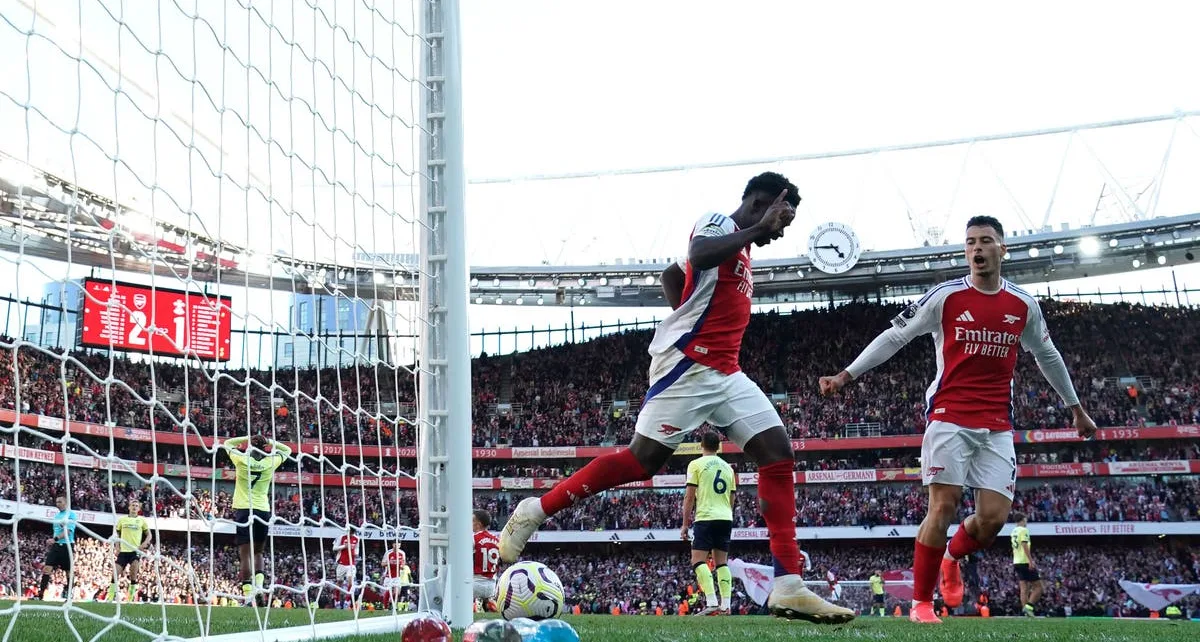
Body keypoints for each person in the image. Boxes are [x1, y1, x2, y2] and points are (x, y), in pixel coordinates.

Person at [499, 172, 853, 624]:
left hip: (725, 372)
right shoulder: (719, 225)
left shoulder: (741, 250)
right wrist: (756, 232)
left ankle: (788, 584)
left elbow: (674, 274)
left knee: (778, 454)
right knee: (641, 461)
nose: (783, 229)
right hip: (688, 364)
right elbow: (697, 254)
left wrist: (686, 304)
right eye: (783, 217)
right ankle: (534, 510)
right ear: (765, 202)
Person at [819, 215, 1097, 624]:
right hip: (949, 414)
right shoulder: (945, 296)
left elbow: (1047, 355)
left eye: (986, 241)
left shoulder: (1023, 305)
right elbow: (896, 335)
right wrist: (847, 374)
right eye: (970, 242)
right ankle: (921, 605)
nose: (977, 249)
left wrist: (1075, 407)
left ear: (1003, 249)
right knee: (943, 506)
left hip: (998, 422)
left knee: (991, 522)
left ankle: (951, 557)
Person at [221, 433, 292, 603]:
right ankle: (260, 587)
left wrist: (247, 438)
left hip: (244, 510)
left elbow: (228, 443)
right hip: (262, 510)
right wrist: (268, 441)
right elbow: (287, 449)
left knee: (245, 554)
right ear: (264, 450)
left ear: (250, 449)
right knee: (258, 552)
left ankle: (248, 595)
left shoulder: (241, 460)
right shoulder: (270, 462)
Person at [680, 431, 735, 616]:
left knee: (697, 560)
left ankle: (711, 601)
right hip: (725, 517)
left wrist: (685, 524)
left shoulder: (696, 464)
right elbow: (732, 497)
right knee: (721, 563)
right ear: (718, 446)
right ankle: (726, 605)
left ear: (701, 445)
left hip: (706, 517)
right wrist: (727, 513)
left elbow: (689, 497)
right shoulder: (728, 468)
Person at [110, 499, 151, 602]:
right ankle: (110, 596)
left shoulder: (142, 520)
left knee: (133, 573)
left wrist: (143, 545)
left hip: (135, 551)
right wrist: (117, 546)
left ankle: (131, 596)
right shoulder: (122, 520)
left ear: (139, 509)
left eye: (136, 506)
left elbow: (149, 535)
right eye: (132, 505)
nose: (134, 507)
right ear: (129, 507)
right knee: (115, 572)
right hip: (123, 551)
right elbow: (117, 534)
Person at [39, 495, 77, 600]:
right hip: (56, 546)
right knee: (47, 569)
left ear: (65, 502)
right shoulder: (56, 516)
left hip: (67, 546)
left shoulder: (71, 515)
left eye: (59, 502)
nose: (57, 504)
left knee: (69, 572)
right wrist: (54, 541)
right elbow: (57, 531)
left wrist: (54, 539)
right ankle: (40, 594)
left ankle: (69, 595)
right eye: (56, 502)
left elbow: (68, 531)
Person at [1010, 512, 1042, 617]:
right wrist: (1031, 561)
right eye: (1026, 520)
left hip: (1016, 561)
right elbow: (1024, 545)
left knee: (1024, 588)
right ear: (1023, 520)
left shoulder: (1013, 531)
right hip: (1024, 561)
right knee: (1038, 587)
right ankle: (1028, 607)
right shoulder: (1024, 530)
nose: (1026, 522)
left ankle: (1026, 613)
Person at [472, 510, 500, 611]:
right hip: (492, 585)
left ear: (478, 524)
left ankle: (474, 605)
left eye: (472, 521)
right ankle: (489, 602)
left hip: (474, 584)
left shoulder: (473, 538)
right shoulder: (497, 540)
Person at [332, 528, 361, 604]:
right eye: (350, 532)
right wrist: (343, 547)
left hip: (351, 564)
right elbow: (334, 548)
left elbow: (357, 548)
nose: (351, 534)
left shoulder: (357, 538)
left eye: (352, 532)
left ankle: (347, 601)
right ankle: (337, 601)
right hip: (341, 563)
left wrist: (356, 553)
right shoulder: (341, 537)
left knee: (351, 582)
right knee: (339, 582)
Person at [382, 541, 411, 607]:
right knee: (388, 591)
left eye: (398, 544)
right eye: (395, 544)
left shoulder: (402, 553)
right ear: (393, 544)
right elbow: (382, 563)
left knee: (397, 593)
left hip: (397, 576)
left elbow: (403, 563)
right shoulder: (388, 553)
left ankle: (392, 604)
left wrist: (401, 566)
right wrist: (389, 562)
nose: (397, 545)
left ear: (400, 545)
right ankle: (385, 607)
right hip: (388, 575)